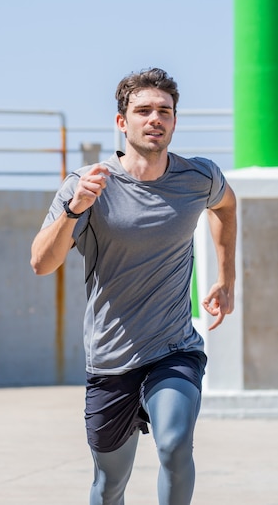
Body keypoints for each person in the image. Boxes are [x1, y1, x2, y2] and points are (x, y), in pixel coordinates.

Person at [30, 67, 236, 505]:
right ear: (122, 122)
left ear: (175, 121)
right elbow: (41, 264)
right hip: (111, 359)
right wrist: (73, 209)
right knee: (109, 486)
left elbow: (226, 205)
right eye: (143, 110)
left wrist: (226, 276)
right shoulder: (87, 185)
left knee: (174, 446)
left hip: (174, 349)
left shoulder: (198, 178)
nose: (154, 118)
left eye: (164, 110)